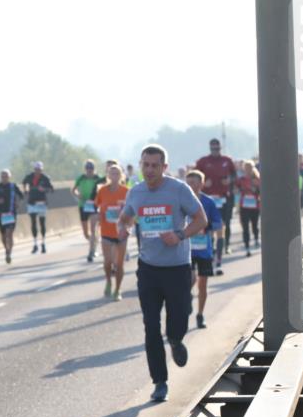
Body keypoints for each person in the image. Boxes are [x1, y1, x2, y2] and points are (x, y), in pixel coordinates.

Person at [118, 144, 208, 402]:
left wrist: (179, 235)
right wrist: (123, 227)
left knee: (177, 320)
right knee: (150, 326)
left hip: (177, 268)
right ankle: (159, 382)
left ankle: (177, 340)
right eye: (145, 165)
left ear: (164, 167)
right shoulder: (136, 192)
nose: (149, 170)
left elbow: (200, 220)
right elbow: (124, 217)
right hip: (148, 269)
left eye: (155, 165)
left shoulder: (179, 190)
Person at [185, 170, 224, 329]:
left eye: (193, 183)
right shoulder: (181, 201)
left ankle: (200, 315)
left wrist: (205, 227)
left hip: (204, 249)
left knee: (203, 284)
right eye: (187, 183)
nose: (190, 186)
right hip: (186, 249)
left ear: (201, 184)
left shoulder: (208, 202)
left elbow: (218, 223)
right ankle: (186, 298)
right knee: (189, 279)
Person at [194, 138, 237, 270]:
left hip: (224, 198)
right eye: (213, 149)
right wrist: (203, 183)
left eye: (217, 148)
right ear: (210, 148)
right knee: (209, 225)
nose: (215, 151)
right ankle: (211, 249)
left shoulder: (227, 160)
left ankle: (226, 246)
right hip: (208, 198)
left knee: (224, 224)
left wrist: (229, 180)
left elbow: (235, 175)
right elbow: (195, 176)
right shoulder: (203, 161)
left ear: (220, 148)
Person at [95, 163, 128, 301]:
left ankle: (118, 289)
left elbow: (131, 212)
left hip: (121, 232)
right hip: (106, 231)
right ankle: (109, 281)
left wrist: (127, 225)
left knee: (119, 264)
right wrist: (101, 214)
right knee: (108, 262)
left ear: (121, 176)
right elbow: (98, 206)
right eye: (111, 173)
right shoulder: (102, 191)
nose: (114, 176)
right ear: (108, 176)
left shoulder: (126, 191)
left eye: (117, 173)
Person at [0, 169, 24, 263]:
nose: (4, 178)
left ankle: (9, 253)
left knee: (9, 234)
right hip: (1, 214)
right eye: (2, 176)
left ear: (9, 177)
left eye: (6, 176)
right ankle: (6, 249)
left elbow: (21, 196)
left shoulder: (13, 186)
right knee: (3, 236)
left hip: (11, 213)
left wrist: (18, 202)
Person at [73, 159, 102, 262]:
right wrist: (78, 194)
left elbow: (103, 189)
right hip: (83, 205)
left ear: (94, 169)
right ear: (85, 169)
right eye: (88, 168)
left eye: (91, 168)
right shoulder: (81, 178)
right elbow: (73, 190)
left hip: (94, 205)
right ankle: (93, 243)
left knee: (93, 228)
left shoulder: (98, 178)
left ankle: (92, 251)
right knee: (86, 233)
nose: (89, 170)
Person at [23, 161, 54, 253]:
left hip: (42, 202)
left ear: (42, 170)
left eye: (39, 170)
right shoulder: (30, 176)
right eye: (36, 169)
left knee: (42, 223)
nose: (37, 171)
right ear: (34, 169)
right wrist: (26, 190)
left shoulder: (45, 178)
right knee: (33, 222)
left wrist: (44, 189)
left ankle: (43, 243)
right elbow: (24, 183)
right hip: (32, 202)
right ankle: (35, 243)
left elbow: (51, 189)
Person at [238, 160, 261, 254]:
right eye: (246, 168)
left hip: (255, 206)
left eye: (250, 168)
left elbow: (261, 191)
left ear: (253, 168)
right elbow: (236, 188)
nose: (248, 170)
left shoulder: (257, 179)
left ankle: (256, 239)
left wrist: (255, 190)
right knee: (245, 227)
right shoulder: (241, 179)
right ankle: (247, 245)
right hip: (244, 206)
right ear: (244, 169)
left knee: (254, 225)